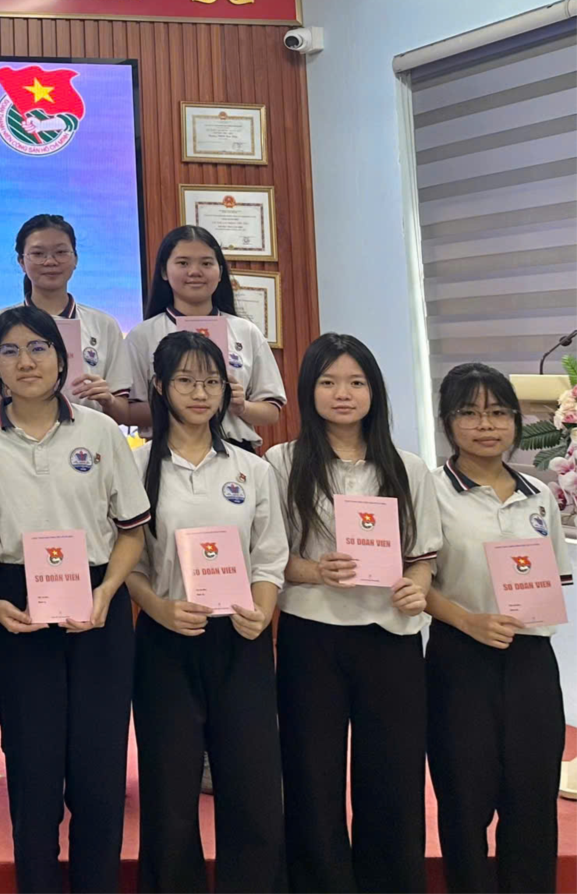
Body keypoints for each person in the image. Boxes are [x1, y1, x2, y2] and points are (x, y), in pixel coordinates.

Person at [0, 303, 149, 894]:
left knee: (98, 773)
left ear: (63, 358)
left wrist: (108, 592)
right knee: (33, 771)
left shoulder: (99, 431)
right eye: (10, 351)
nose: (26, 361)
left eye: (38, 348)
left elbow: (131, 530)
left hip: (96, 605)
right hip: (14, 607)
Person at [267, 333, 439, 894]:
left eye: (356, 382)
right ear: (308, 390)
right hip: (312, 633)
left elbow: (422, 557)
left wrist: (415, 588)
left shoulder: (408, 467)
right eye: (328, 382)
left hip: (389, 635)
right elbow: (270, 558)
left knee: (393, 775)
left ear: (374, 391)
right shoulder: (280, 462)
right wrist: (315, 570)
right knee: (311, 775)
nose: (343, 394)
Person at [124, 331, 287, 893]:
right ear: (159, 387)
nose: (200, 393)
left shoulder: (251, 468)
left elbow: (270, 555)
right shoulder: (136, 466)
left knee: (253, 788)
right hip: (166, 638)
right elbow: (129, 563)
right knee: (169, 793)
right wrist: (158, 608)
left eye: (212, 382)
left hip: (240, 640)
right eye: (187, 381)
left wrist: (262, 611)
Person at [424, 364, 568, 894]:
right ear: (447, 421)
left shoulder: (539, 495)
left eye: (499, 413)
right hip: (459, 658)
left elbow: (553, 578)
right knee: (465, 802)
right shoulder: (430, 491)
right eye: (470, 413)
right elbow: (413, 583)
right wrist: (469, 620)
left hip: (530, 662)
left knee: (532, 801)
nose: (486, 425)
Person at [124, 226, 285, 448]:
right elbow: (128, 411)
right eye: (183, 263)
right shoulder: (142, 335)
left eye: (206, 263)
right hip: (167, 451)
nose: (195, 272)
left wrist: (242, 406)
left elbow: (271, 411)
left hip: (236, 451)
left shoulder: (246, 332)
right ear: (164, 271)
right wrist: (175, 402)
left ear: (220, 272)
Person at [0, 214, 134, 423]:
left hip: (88, 435)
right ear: (21, 262)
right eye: (38, 254)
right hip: (17, 435)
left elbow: (123, 413)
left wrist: (107, 400)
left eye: (61, 252)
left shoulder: (104, 325)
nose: (50, 261)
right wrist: (20, 394)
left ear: (75, 259)